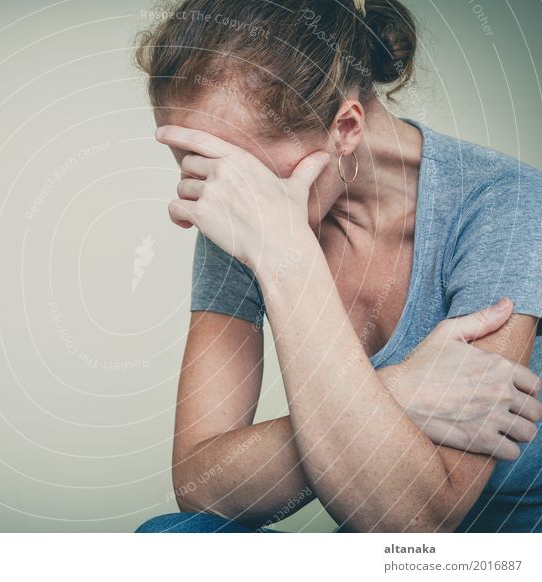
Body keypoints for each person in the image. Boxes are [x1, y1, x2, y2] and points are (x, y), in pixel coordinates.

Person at [132, 0, 542, 532]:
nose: (218, 198)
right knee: (174, 539)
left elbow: (419, 524)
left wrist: (285, 257)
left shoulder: (504, 205)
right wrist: (401, 391)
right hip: (367, 518)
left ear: (345, 128)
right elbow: (199, 483)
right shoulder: (242, 220)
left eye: (241, 174)